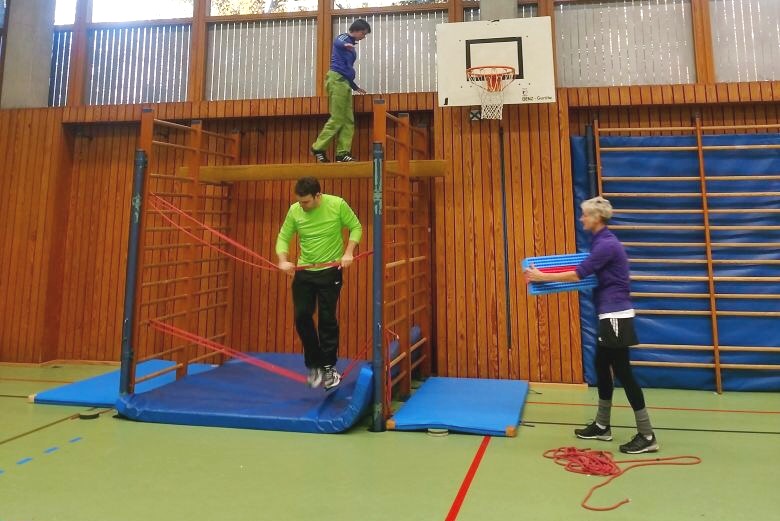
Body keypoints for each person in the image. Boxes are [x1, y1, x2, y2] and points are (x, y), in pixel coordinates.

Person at [524, 196, 659, 454]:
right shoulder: (600, 242)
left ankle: (647, 435)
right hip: (608, 316)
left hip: (616, 316)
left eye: (585, 214)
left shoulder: (606, 245)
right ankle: (602, 426)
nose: (581, 218)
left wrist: (541, 276)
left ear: (597, 218)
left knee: (624, 373)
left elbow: (578, 274)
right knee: (601, 366)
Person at [276, 177, 363, 390]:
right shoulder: (295, 210)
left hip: (330, 271)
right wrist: (283, 260)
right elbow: (283, 237)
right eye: (300, 201)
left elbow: (356, 227)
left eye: (306, 202)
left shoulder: (337, 204)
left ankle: (329, 367)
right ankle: (315, 366)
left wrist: (348, 253)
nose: (302, 206)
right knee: (302, 317)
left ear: (318, 196)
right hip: (305, 271)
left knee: (326, 319)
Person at [311, 19, 371, 163]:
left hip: (345, 83)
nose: (364, 37)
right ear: (356, 30)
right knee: (337, 118)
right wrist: (346, 44)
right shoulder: (344, 38)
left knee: (348, 120)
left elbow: (347, 69)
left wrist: (355, 87)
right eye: (363, 33)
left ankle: (342, 153)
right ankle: (318, 148)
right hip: (337, 80)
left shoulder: (352, 48)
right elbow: (338, 42)